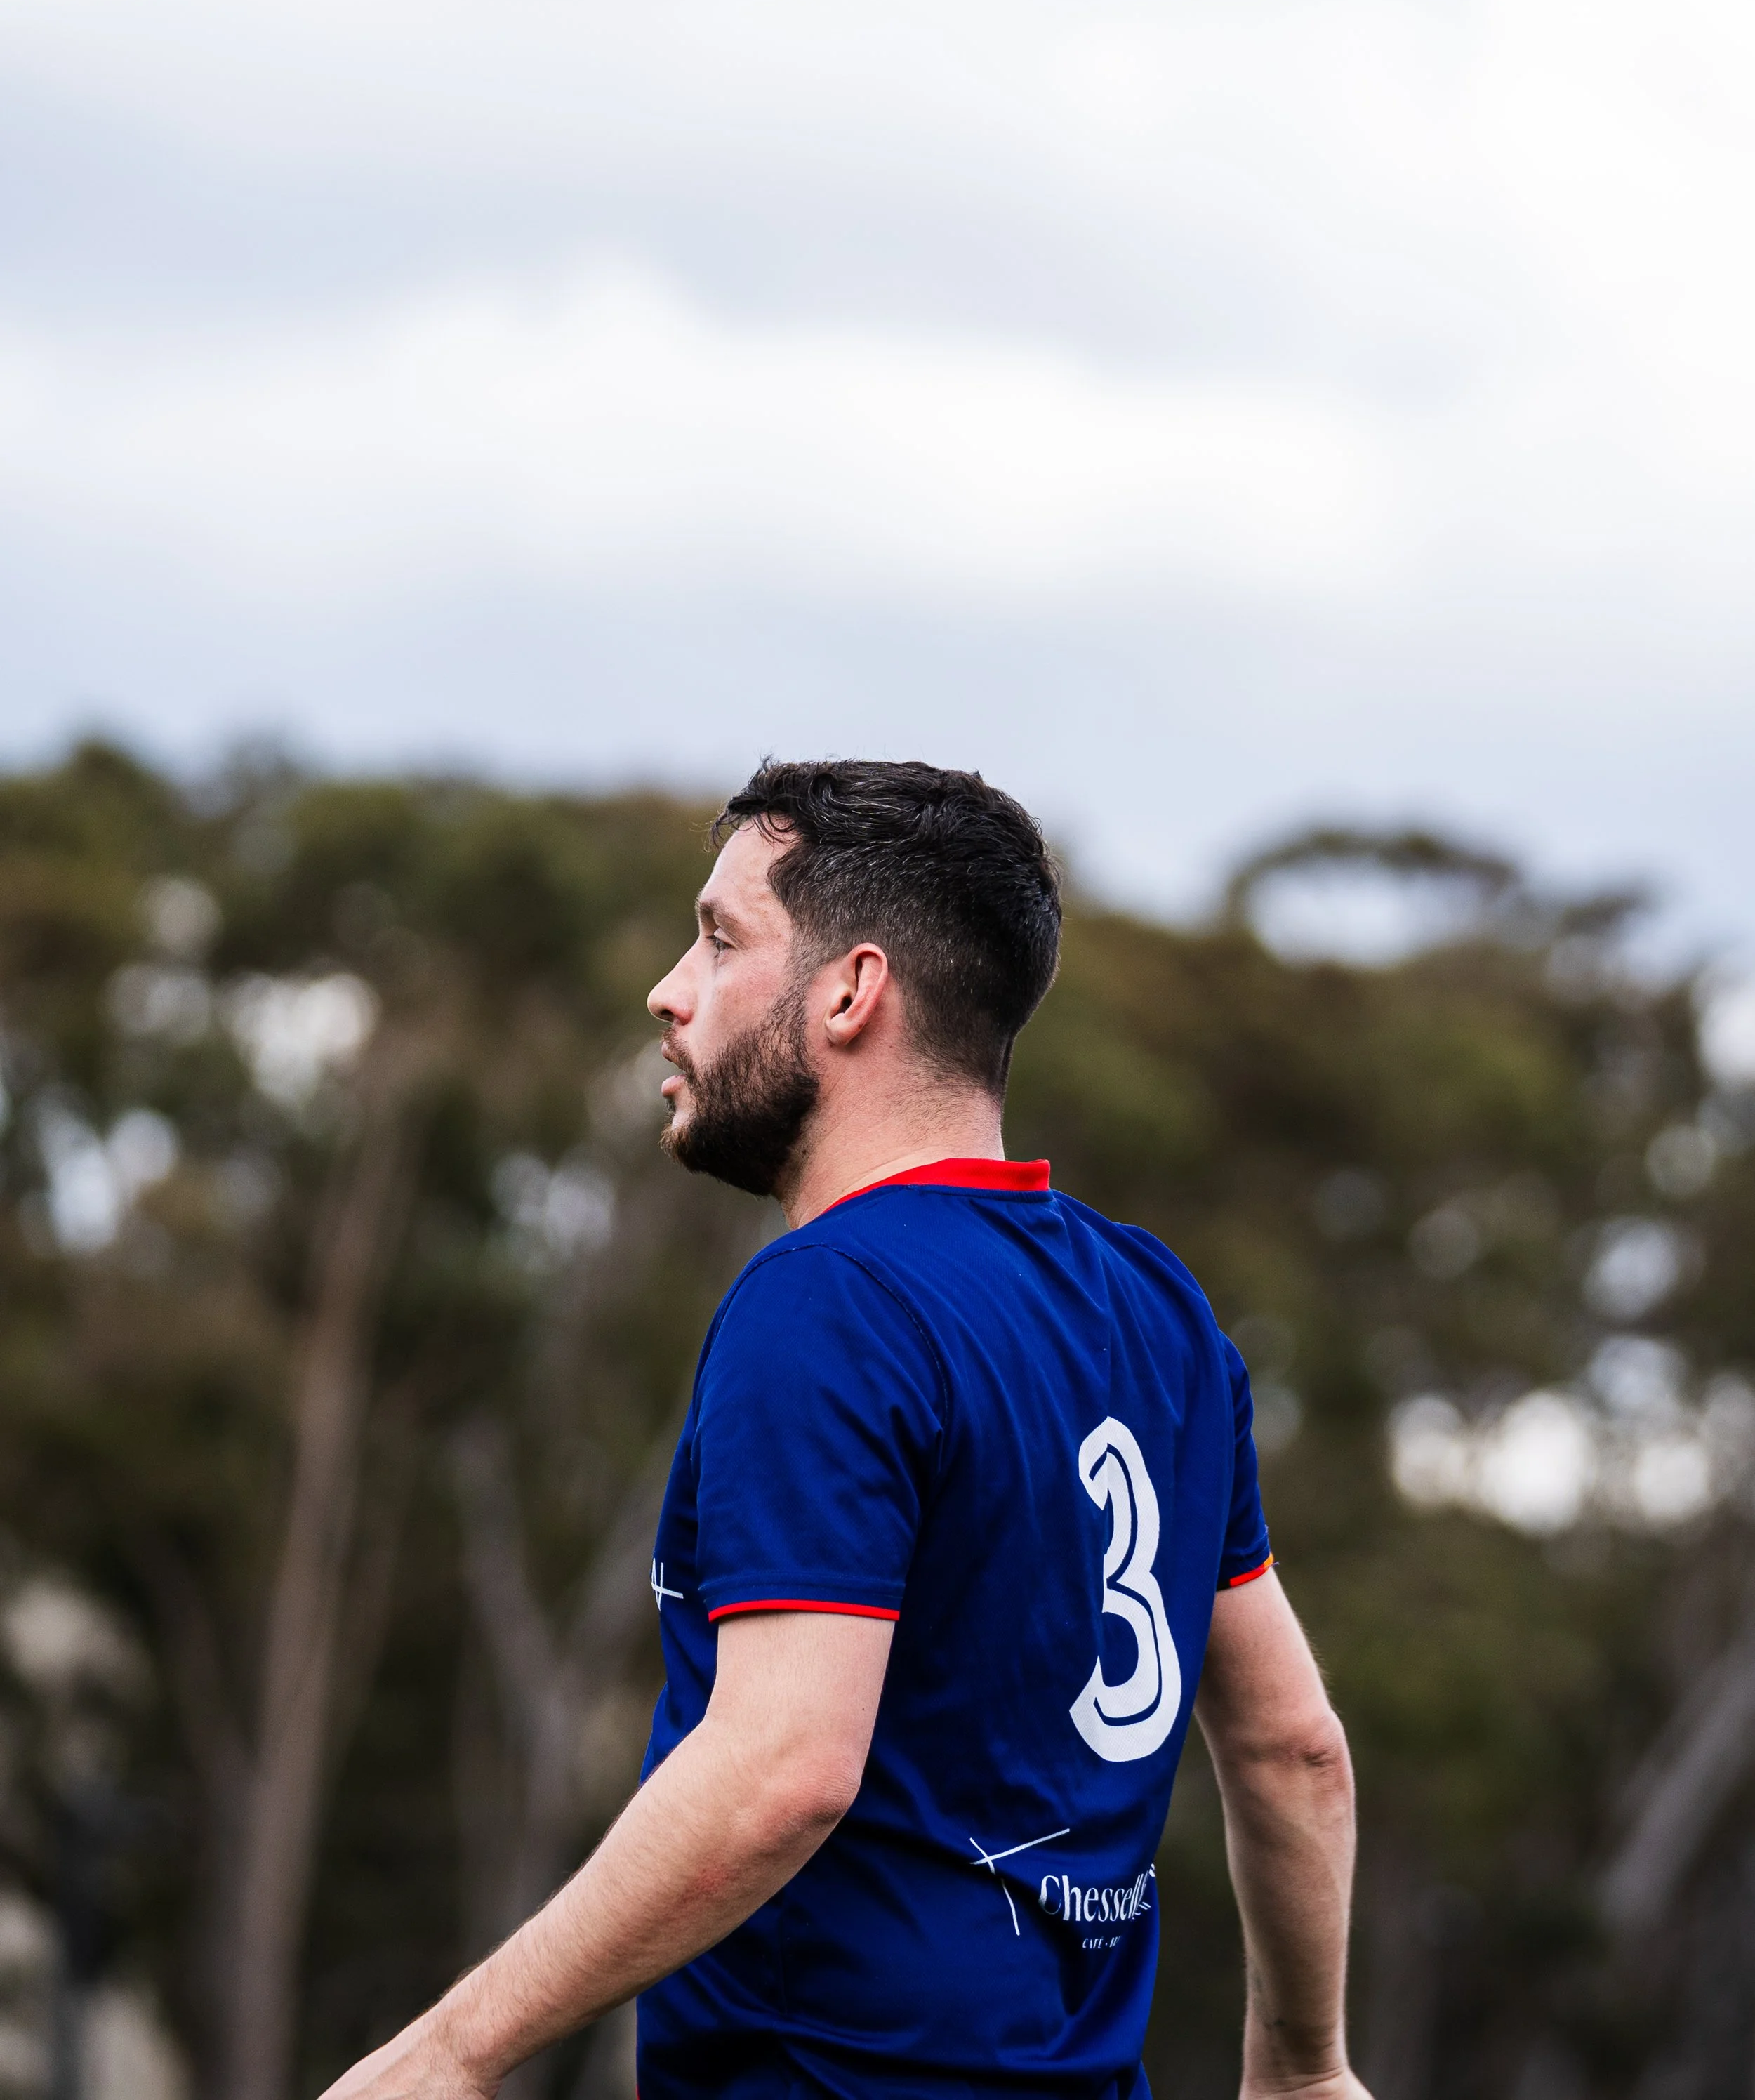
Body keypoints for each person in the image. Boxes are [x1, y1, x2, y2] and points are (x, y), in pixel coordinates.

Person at [322, 760, 1368, 2100]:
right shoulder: (1160, 1309)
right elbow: (1295, 1747)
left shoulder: (829, 1301)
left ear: (849, 990)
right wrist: (1303, 2067)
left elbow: (782, 1768)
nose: (669, 988)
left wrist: (448, 2060)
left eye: (719, 937)